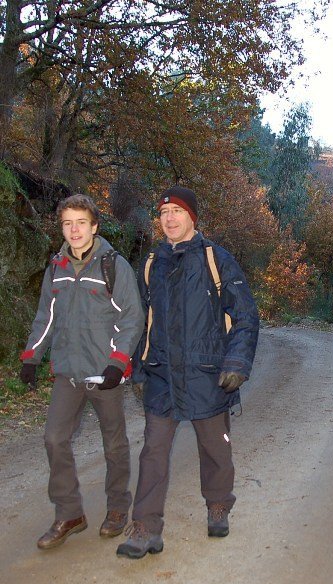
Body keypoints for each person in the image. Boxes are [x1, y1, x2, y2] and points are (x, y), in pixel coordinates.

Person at [116, 186, 259, 560]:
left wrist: (236, 364)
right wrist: (139, 368)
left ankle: (218, 504)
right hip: (162, 373)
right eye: (164, 213)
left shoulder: (216, 259)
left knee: (215, 448)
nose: (170, 219)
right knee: (153, 451)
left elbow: (245, 315)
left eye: (177, 212)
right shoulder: (152, 263)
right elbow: (141, 321)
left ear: (192, 217)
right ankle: (145, 527)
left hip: (207, 373)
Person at [20, 194, 144, 550]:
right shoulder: (56, 267)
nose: (74, 230)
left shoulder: (113, 266)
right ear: (62, 228)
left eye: (80, 223)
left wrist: (117, 362)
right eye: (67, 224)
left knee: (114, 443)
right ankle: (69, 513)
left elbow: (132, 318)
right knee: (54, 438)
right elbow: (46, 317)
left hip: (105, 373)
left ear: (94, 226)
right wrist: (31, 357)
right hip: (68, 372)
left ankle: (117, 508)